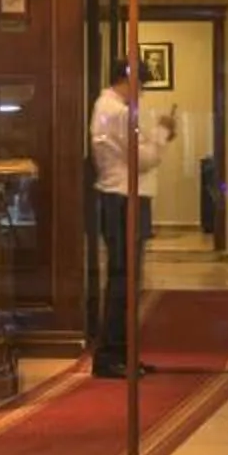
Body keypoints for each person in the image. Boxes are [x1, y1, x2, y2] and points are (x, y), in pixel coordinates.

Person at [88, 60, 176, 378]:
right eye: (140, 84)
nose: (141, 92)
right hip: (124, 198)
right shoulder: (120, 112)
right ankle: (113, 355)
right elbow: (142, 159)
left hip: (117, 196)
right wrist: (164, 133)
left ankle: (120, 352)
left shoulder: (105, 106)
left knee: (123, 278)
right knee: (124, 280)